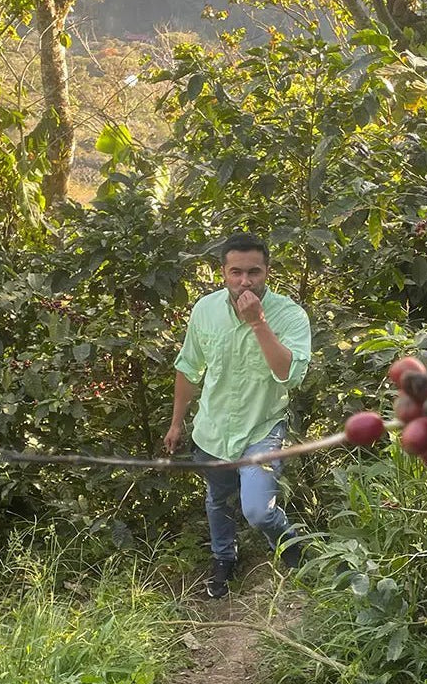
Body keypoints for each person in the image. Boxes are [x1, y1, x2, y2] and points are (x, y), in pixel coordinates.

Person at [164, 232, 312, 598]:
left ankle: (297, 552)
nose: (245, 281)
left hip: (262, 429)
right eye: (236, 272)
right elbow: (188, 367)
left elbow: (288, 374)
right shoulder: (205, 310)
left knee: (259, 511)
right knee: (218, 500)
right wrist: (176, 421)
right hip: (212, 429)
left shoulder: (290, 316)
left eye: (254, 272)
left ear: (267, 272)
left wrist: (259, 323)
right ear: (223, 272)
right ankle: (223, 560)